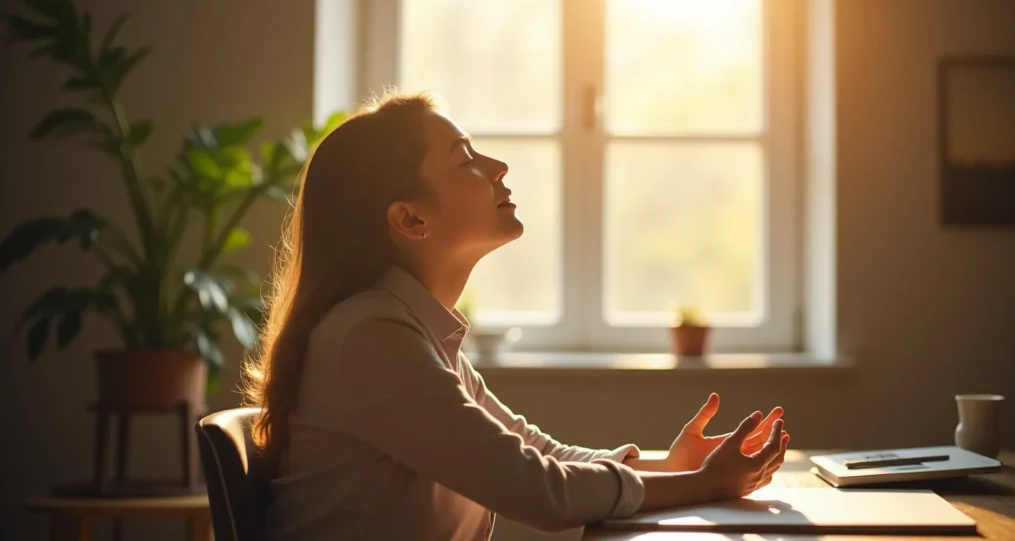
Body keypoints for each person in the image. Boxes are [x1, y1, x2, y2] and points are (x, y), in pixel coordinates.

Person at [244, 91, 790, 541]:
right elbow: (537, 491)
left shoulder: (411, 331)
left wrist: (670, 470)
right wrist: (702, 485)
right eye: (465, 159)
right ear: (410, 218)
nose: (498, 167)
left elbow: (536, 453)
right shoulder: (371, 339)